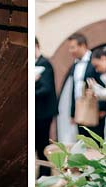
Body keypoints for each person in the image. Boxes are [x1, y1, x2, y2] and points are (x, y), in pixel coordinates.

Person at [65, 32, 106, 139]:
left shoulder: (94, 61)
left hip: (95, 109)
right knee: (83, 142)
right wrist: (72, 112)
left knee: (96, 142)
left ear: (83, 45)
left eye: (72, 47)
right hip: (80, 109)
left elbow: (104, 84)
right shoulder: (75, 64)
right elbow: (74, 89)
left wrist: (102, 108)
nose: (70, 51)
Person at [35, 38, 58, 177]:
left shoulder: (45, 64)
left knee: (42, 143)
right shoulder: (35, 64)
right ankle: (42, 172)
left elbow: (46, 88)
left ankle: (45, 173)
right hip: (37, 112)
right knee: (38, 143)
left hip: (43, 112)